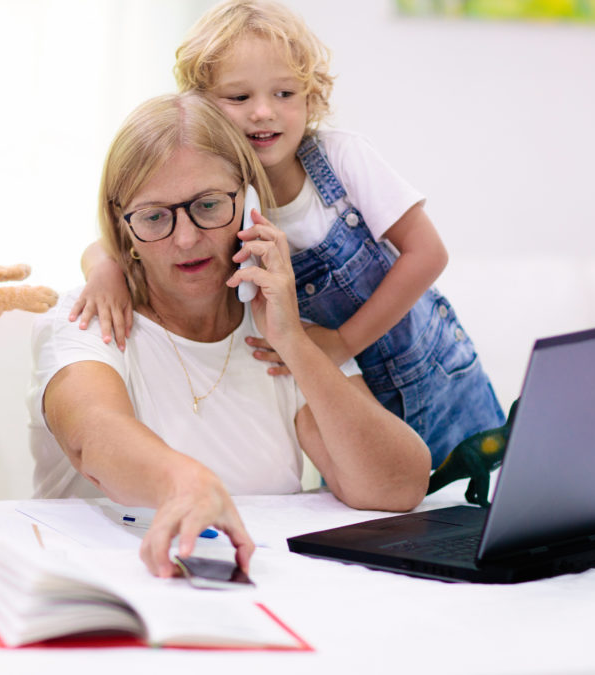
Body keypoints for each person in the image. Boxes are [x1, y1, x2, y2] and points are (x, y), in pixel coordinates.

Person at [70, 0, 506, 471]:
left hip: (438, 376)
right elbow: (134, 230)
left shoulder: (341, 160)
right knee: (377, 508)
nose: (263, 112)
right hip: (345, 397)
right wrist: (105, 270)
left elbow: (428, 253)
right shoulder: (221, 195)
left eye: (284, 94)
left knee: (482, 499)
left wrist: (340, 343)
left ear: (310, 97)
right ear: (200, 107)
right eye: (239, 98)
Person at [29, 93, 431, 578]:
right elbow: (93, 435)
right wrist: (187, 482)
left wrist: (295, 343)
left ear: (250, 204)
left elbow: (395, 487)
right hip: (105, 596)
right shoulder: (87, 317)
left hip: (253, 600)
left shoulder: (284, 336)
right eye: (155, 216)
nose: (185, 238)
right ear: (123, 226)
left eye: (209, 205)